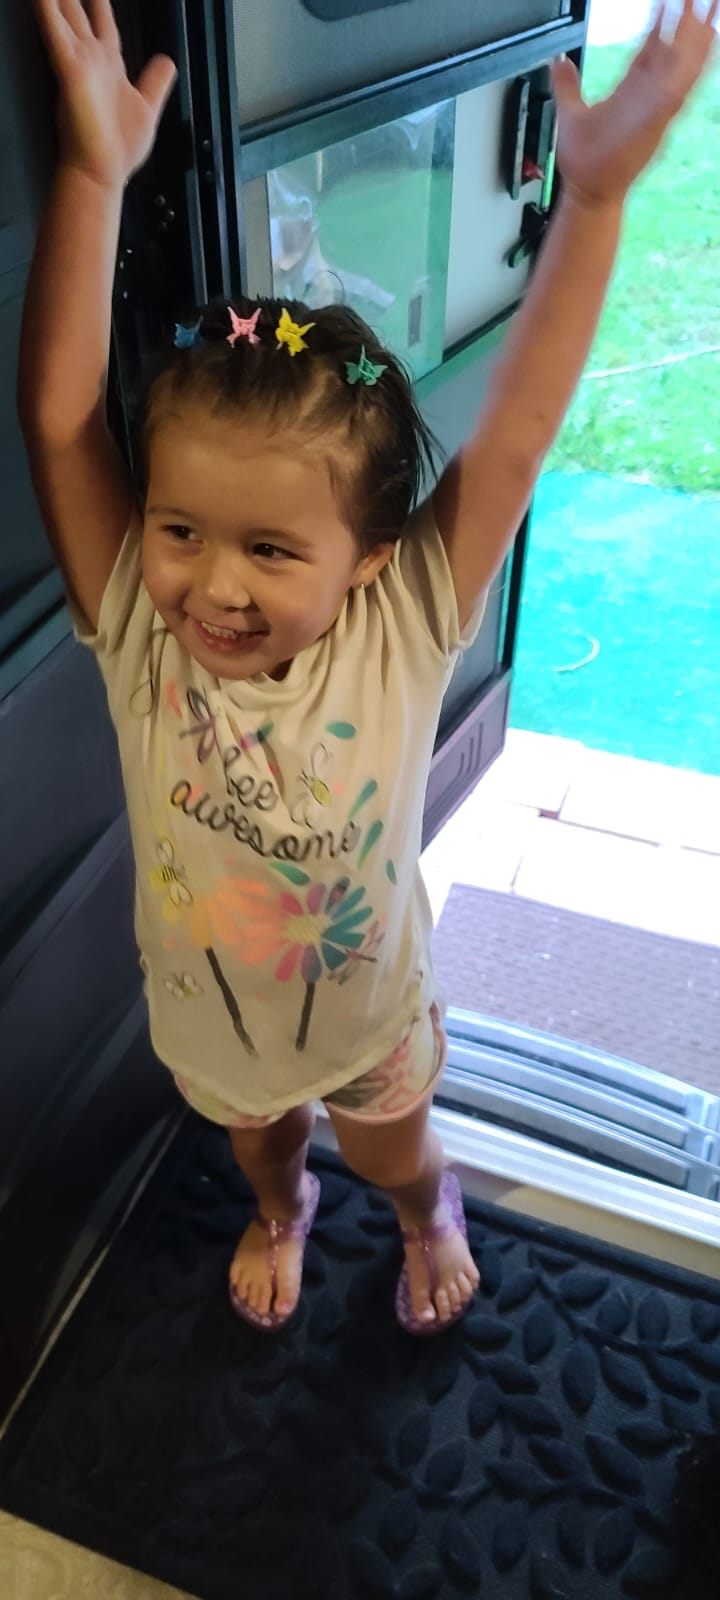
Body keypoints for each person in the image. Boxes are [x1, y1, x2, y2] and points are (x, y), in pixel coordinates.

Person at [18, 0, 717, 1335]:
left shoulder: (402, 625)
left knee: (392, 1148)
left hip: (372, 1015)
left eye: (271, 549)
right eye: (181, 530)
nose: (215, 585)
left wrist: (592, 203)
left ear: (370, 558)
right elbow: (61, 420)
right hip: (211, 1015)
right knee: (261, 1145)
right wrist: (95, 175)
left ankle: (420, 1208)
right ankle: (284, 1209)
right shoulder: (137, 623)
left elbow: (513, 438)